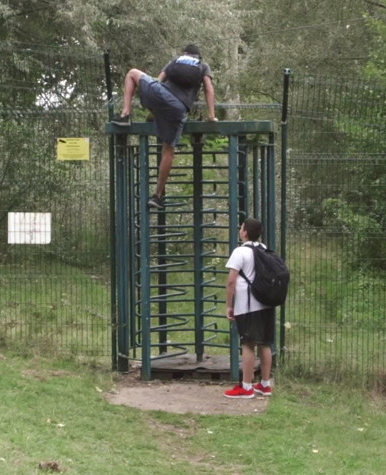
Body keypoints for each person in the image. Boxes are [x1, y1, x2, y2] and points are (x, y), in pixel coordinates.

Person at [112, 43, 217, 208]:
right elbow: (209, 89)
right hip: (177, 108)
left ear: (185, 54)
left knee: (132, 73)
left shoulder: (175, 61)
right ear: (198, 57)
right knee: (168, 152)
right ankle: (157, 196)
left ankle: (125, 114)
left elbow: (158, 81)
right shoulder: (203, 66)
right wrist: (211, 116)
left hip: (159, 95)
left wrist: (152, 102)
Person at [223, 217, 274, 398]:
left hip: (247, 305)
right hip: (266, 303)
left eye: (241, 227)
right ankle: (265, 385)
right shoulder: (264, 249)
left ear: (244, 232)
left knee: (248, 344)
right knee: (265, 343)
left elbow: (231, 281)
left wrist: (229, 305)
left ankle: (246, 387)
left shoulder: (240, 252)